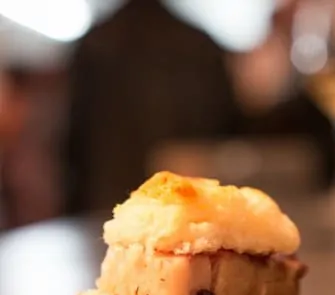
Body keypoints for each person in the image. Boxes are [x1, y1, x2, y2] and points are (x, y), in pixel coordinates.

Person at [62, 0, 242, 215]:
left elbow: (74, 136)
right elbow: (228, 125)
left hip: (108, 195)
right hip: (187, 200)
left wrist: (73, 203)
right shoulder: (199, 42)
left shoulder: (97, 42)